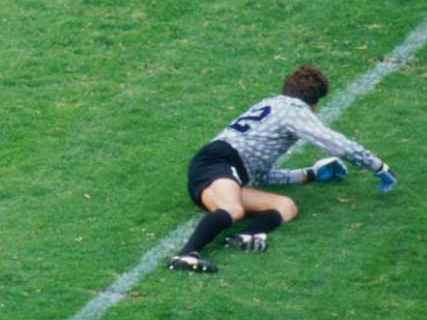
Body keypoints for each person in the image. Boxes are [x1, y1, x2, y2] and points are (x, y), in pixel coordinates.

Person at [170, 64, 397, 274]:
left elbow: (260, 176)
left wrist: (309, 174)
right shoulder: (295, 111)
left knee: (285, 206)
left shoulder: (271, 103)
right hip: (218, 163)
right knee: (233, 209)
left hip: (224, 169)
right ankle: (186, 255)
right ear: (315, 103)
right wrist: (375, 165)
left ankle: (246, 236)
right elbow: (333, 142)